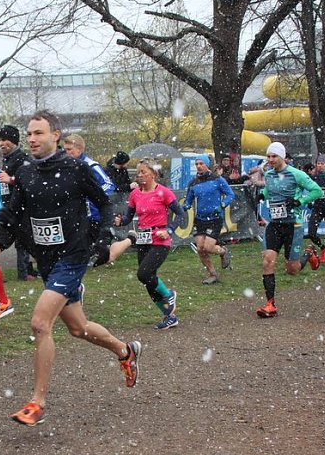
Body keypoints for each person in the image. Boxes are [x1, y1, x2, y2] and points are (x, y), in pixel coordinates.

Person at [0, 110, 141, 426]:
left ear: (55, 135)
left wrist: (102, 238)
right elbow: (11, 215)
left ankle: (37, 402)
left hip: (72, 257)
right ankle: (125, 351)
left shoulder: (75, 169)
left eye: (38, 133)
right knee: (78, 328)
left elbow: (105, 202)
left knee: (40, 323)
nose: (31, 139)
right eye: (29, 133)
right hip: (46, 260)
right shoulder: (27, 173)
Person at [109, 159, 186, 329]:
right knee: (147, 281)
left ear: (153, 173)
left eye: (143, 172)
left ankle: (169, 294)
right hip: (144, 239)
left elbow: (181, 215)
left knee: (144, 274)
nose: (140, 175)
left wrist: (169, 230)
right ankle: (169, 316)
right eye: (138, 172)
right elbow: (129, 217)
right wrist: (121, 221)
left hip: (160, 239)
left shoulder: (164, 192)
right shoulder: (135, 194)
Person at [255, 142, 324, 318]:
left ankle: (309, 253)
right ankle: (270, 304)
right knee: (267, 261)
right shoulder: (269, 175)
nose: (271, 160)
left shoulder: (297, 174)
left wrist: (299, 201)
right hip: (275, 224)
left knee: (292, 269)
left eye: (274, 156)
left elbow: (317, 191)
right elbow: (271, 191)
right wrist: (263, 195)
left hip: (293, 225)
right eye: (268, 156)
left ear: (283, 157)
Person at [0, 125, 34, 322]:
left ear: (15, 141)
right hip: (8, 216)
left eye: (6, 140)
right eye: (0, 140)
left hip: (25, 219)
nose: (2, 143)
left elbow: (32, 185)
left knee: (48, 265)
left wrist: (11, 180)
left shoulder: (24, 159)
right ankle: (3, 303)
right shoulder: (6, 160)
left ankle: (71, 288)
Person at [63, 134, 116, 264]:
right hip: (77, 214)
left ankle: (98, 256)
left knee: (93, 243)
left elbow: (109, 185)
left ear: (80, 149)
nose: (66, 153)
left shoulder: (91, 166)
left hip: (94, 214)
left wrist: (93, 194)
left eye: (69, 149)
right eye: (65, 150)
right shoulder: (66, 166)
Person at [182, 156, 235, 284]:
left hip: (214, 218)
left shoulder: (218, 179)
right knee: (200, 248)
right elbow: (189, 199)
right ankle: (212, 274)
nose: (199, 166)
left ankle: (223, 251)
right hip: (200, 219)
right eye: (196, 164)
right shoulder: (193, 183)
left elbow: (230, 194)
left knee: (208, 247)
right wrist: (186, 205)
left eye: (201, 163)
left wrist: (222, 205)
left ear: (207, 165)